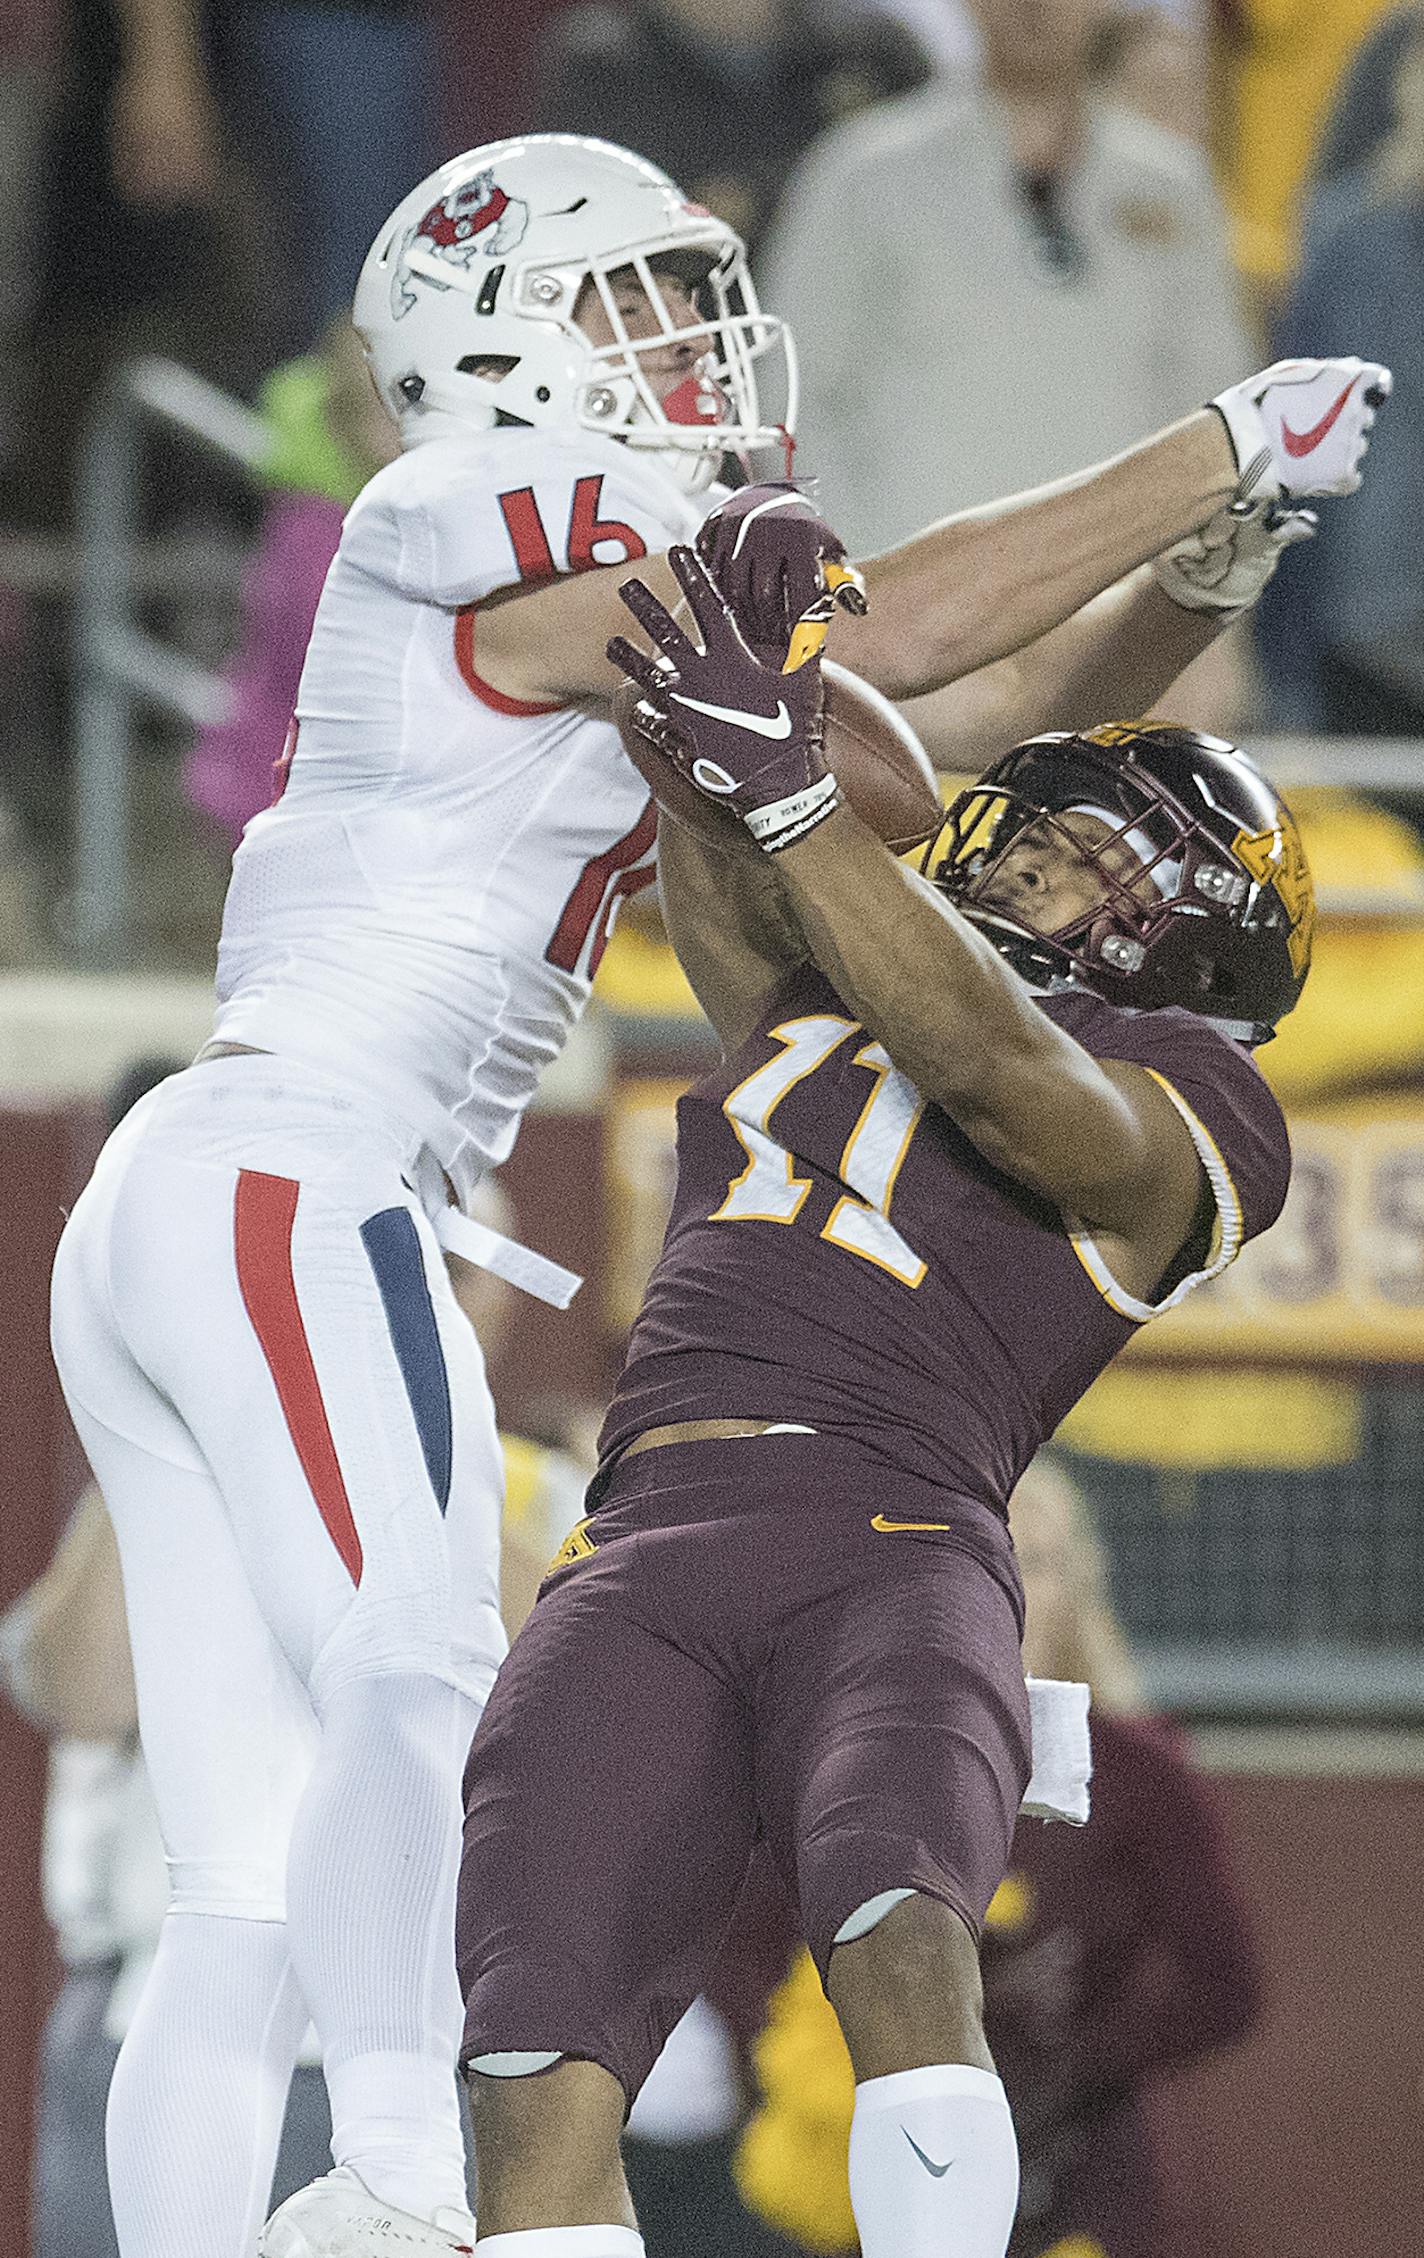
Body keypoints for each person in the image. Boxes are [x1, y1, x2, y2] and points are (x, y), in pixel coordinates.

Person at [47, 123, 1384, 2258]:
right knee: (412, 1669)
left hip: (237, 1180)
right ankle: (400, 2184)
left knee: (235, 1872)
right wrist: (1205, 444)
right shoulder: (473, 508)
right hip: (308, 1166)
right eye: (638, 298)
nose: (689, 337)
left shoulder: (611, 604)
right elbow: (919, 636)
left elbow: (922, 771)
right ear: (500, 347)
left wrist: (1201, 566)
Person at [453, 523, 1316, 2258]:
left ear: (1180, 939)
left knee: (897, 1931)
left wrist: (787, 793)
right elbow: (726, 822)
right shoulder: (813, 994)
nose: (1028, 863)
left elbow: (1009, 1079)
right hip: (634, 1544)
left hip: (886, 1530)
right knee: (525, 2048)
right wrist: (730, 698)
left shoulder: (1198, 1102)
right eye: (1043, 832)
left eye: (1085, 860)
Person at [734, 1457, 1261, 2258]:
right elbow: (740, 1948)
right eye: (980, 1555)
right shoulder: (840, 1754)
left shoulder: (1138, 1775)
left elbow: (1224, 1986)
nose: (1008, 1586)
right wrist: (827, 2067)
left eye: (1037, 1561)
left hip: (1075, 2194)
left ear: (1074, 1589)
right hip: (860, 2189)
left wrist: (1063, 2064)